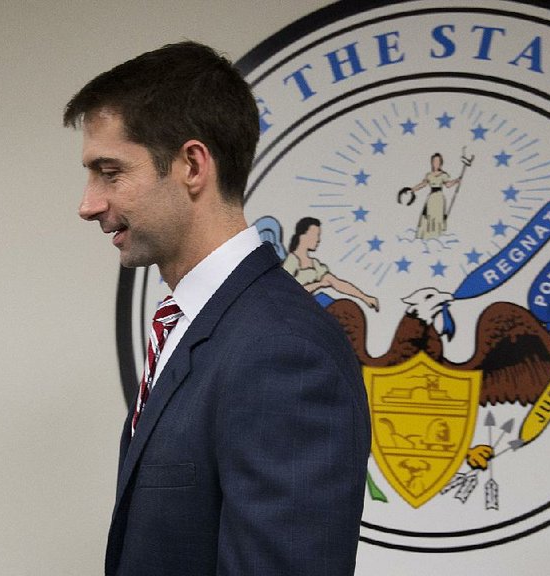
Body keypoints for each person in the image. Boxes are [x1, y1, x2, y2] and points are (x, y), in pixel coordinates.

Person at [64, 41, 370, 576]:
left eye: (110, 172)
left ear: (192, 165)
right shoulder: (200, 327)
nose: (88, 204)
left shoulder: (282, 350)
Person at [283, 216, 379, 311]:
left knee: (323, 299)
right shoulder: (292, 260)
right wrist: (318, 284)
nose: (318, 239)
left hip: (309, 308)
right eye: (315, 235)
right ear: (303, 236)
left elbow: (336, 283)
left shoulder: (315, 264)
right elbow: (287, 291)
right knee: (321, 298)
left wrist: (364, 297)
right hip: (293, 310)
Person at [410, 152, 461, 240]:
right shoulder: (429, 175)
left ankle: (436, 234)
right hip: (431, 197)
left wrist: (456, 180)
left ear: (440, 163)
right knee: (428, 215)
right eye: (434, 161)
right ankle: (427, 234)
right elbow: (423, 184)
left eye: (437, 161)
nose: (436, 163)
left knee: (437, 216)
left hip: (439, 198)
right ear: (432, 162)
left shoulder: (443, 175)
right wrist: (413, 188)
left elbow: (448, 185)